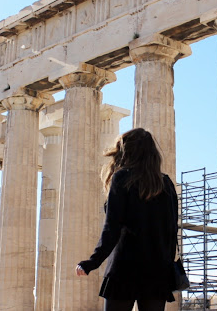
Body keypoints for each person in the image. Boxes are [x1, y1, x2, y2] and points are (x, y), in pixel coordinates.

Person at [76, 128, 179, 311]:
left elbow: (112, 228)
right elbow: (171, 231)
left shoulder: (122, 178)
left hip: (125, 268)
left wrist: (92, 262)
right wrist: (166, 265)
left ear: (126, 152)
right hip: (157, 271)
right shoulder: (167, 183)